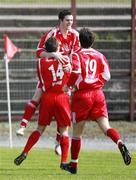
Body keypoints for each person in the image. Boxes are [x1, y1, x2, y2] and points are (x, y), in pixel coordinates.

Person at [62, 28, 131, 174]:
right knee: (106, 127)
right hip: (98, 94)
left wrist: (69, 86)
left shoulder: (77, 54)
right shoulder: (100, 55)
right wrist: (96, 83)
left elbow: (75, 72)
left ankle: (73, 166)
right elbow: (107, 75)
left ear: (79, 41)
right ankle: (120, 142)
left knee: (77, 133)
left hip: (83, 96)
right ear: (93, 41)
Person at [16, 9, 79, 155]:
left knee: (62, 111)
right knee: (37, 95)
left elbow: (76, 54)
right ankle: (23, 126)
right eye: (67, 20)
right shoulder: (51, 34)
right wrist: (53, 54)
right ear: (61, 21)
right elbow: (38, 52)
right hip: (50, 73)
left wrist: (71, 66)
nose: (70, 23)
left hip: (65, 75)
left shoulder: (75, 35)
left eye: (71, 20)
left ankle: (58, 142)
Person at [14, 37, 71, 169]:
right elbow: (69, 74)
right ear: (58, 48)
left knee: (39, 129)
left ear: (46, 49)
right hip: (61, 97)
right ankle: (63, 162)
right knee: (64, 131)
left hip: (47, 97)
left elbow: (42, 81)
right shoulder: (66, 59)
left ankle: (25, 152)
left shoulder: (40, 63)